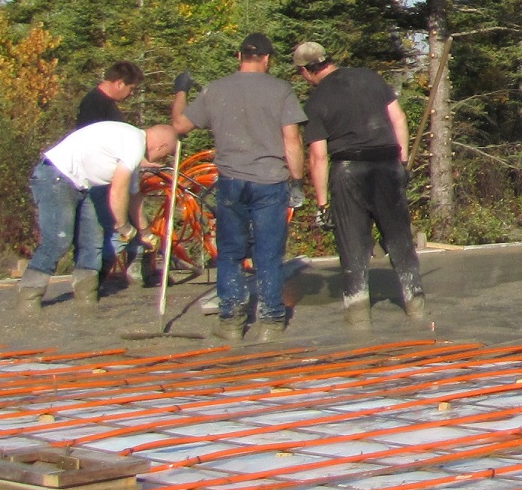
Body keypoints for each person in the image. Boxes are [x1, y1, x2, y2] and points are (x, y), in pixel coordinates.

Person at [173, 33, 307, 344]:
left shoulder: (216, 90)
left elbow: (179, 125)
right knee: (268, 254)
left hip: (231, 181)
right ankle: (272, 319)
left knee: (230, 253)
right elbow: (292, 140)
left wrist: (181, 90)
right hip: (270, 181)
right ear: (267, 59)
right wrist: (297, 180)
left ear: (239, 56)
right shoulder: (280, 90)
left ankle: (231, 319)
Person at [293, 41, 424, 321]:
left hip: (348, 171)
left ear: (305, 71)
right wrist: (400, 164)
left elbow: (318, 157)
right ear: (327, 59)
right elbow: (399, 120)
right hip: (387, 165)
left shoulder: (316, 101)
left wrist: (322, 203)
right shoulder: (370, 78)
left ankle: (358, 314)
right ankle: (416, 304)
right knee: (399, 237)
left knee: (351, 243)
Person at [20, 119, 176, 311]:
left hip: (81, 185)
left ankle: (86, 299)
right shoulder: (134, 143)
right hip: (55, 177)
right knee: (58, 241)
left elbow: (134, 196)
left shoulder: (131, 146)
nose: (159, 160)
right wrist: (123, 227)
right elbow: (117, 192)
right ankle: (29, 298)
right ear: (162, 145)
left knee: (91, 244)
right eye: (165, 154)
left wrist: (145, 232)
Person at [72, 62, 146, 284]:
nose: (131, 94)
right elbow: (92, 144)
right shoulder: (93, 105)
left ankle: (133, 270)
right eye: (130, 89)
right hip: (100, 179)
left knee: (123, 224)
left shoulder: (107, 104)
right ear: (119, 83)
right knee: (112, 228)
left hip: (110, 175)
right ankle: (97, 278)